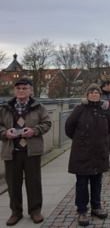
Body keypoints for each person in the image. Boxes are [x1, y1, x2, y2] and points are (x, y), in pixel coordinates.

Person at [0, 78, 51, 226]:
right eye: (18, 88)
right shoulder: (5, 108)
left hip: (31, 151)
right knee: (13, 184)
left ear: (31, 90)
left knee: (33, 183)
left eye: (24, 88)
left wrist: (34, 131)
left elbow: (47, 123)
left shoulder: (38, 107)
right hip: (11, 151)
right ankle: (16, 212)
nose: (21, 91)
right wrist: (5, 133)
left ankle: (35, 211)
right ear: (14, 91)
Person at [65, 84, 110, 227]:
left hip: (99, 151)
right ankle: (82, 210)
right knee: (82, 183)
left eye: (96, 92)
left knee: (97, 181)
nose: (94, 94)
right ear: (87, 95)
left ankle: (96, 207)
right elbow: (69, 127)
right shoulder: (79, 109)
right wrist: (81, 140)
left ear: (100, 95)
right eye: (91, 92)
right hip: (82, 152)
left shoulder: (104, 110)